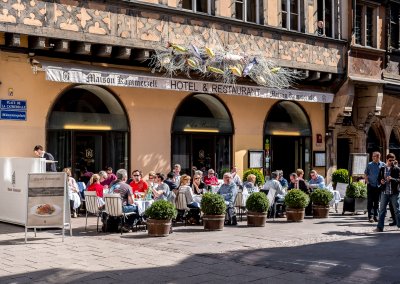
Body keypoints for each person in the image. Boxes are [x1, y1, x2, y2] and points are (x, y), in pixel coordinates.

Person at [374, 153, 400, 232]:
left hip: (394, 193)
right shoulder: (382, 168)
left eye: (393, 160)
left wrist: (392, 179)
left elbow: (399, 180)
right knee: (382, 210)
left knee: (397, 210)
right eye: (390, 160)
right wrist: (381, 181)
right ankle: (380, 227)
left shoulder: (397, 169)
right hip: (384, 192)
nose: (391, 162)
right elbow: (378, 179)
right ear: (387, 160)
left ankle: (399, 225)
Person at [365, 151, 385, 223]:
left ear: (378, 157)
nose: (373, 157)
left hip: (378, 186)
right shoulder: (369, 164)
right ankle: (370, 216)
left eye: (374, 156)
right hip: (370, 185)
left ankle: (376, 216)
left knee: (377, 202)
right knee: (370, 201)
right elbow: (365, 173)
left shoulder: (383, 165)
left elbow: (384, 174)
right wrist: (367, 182)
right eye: (372, 156)